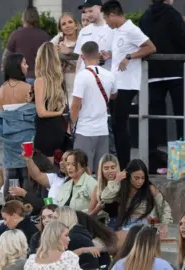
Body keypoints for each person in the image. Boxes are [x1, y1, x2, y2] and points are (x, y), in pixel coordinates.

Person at [101, 0, 157, 170]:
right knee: (116, 124)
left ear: (112, 14)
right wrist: (110, 55)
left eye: (106, 18)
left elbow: (151, 47)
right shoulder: (118, 30)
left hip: (127, 84)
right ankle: (122, 162)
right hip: (116, 83)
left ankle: (125, 164)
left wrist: (130, 57)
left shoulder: (132, 29)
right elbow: (122, 50)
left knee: (119, 123)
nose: (106, 22)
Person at [139, 0, 185, 173]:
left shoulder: (144, 17)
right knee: (180, 117)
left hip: (152, 73)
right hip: (174, 71)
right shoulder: (173, 15)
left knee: (153, 119)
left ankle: (154, 161)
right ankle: (179, 164)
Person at [70, 41, 118, 173]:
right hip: (103, 130)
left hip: (84, 130)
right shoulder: (109, 75)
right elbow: (114, 95)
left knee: (82, 172)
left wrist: (70, 127)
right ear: (98, 54)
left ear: (83, 56)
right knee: (101, 173)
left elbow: (75, 105)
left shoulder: (82, 76)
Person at [100, 159, 172, 242]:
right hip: (124, 222)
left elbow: (164, 207)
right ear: (129, 175)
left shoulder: (150, 189)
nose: (140, 181)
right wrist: (116, 180)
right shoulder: (122, 187)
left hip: (142, 224)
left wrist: (164, 225)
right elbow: (105, 198)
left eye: (143, 178)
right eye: (136, 178)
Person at [0, 53, 36, 196]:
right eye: (24, 63)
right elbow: (35, 112)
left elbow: (0, 115)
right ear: (17, 67)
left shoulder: (2, 89)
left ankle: (10, 202)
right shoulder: (28, 87)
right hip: (26, 134)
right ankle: (28, 201)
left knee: (11, 173)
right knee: (27, 171)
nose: (27, 66)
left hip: (8, 136)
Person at [33, 42, 66, 162]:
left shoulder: (40, 81)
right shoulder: (58, 80)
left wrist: (59, 113)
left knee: (44, 172)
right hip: (58, 128)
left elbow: (41, 112)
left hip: (45, 130)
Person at [2, 7, 50, 84]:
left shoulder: (16, 34)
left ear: (23, 19)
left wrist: (4, 68)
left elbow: (6, 56)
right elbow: (50, 58)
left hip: (21, 78)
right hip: (40, 78)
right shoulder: (44, 36)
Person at [75, 0, 114, 72]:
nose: (87, 15)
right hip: (86, 76)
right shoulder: (84, 31)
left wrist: (110, 55)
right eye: (85, 12)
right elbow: (80, 57)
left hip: (106, 77)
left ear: (100, 9)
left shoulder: (113, 29)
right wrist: (77, 77)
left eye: (90, 11)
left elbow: (123, 53)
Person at [88, 154, 124, 228]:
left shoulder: (124, 184)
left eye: (113, 167)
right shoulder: (98, 189)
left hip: (123, 224)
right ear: (101, 170)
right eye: (106, 168)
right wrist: (97, 209)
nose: (110, 171)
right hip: (105, 225)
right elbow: (89, 215)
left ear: (117, 168)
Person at [51, 12, 80, 102]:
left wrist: (68, 52)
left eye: (70, 22)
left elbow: (87, 58)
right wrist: (53, 52)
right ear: (61, 29)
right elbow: (45, 51)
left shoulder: (83, 38)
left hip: (80, 82)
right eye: (63, 24)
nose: (67, 26)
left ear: (76, 25)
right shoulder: (59, 39)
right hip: (63, 84)